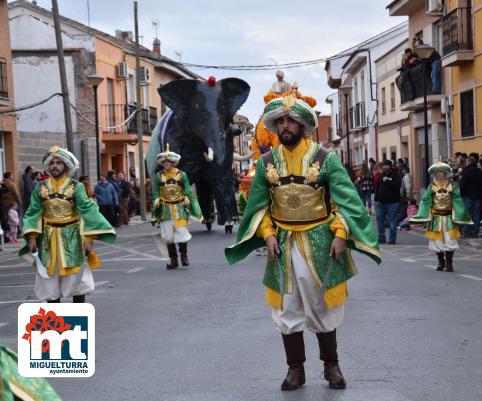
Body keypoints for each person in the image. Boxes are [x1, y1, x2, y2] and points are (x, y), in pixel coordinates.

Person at [225, 93, 380, 391]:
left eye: (291, 120)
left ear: (302, 125)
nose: (285, 125)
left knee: (324, 306)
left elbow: (346, 202)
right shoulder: (267, 163)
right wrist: (267, 234)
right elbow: (258, 206)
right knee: (286, 307)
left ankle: (331, 366)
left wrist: (340, 233)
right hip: (282, 243)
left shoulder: (326, 159)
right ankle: (295, 370)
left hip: (320, 240)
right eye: (280, 121)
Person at [19, 146, 116, 303]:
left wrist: (89, 239)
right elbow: (33, 212)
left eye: (58, 163)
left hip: (72, 237)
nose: (55, 166)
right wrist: (31, 236)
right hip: (47, 240)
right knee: (49, 280)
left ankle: (78, 318)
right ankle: (55, 320)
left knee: (76, 280)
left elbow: (87, 210)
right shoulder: (40, 187)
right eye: (52, 163)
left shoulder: (76, 186)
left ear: (65, 166)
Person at [411, 161, 472, 272]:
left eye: (441, 172)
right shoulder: (432, 187)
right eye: (437, 172)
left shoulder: (451, 186)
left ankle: (449, 263)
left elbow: (457, 201)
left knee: (450, 241)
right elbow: (425, 201)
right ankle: (441, 261)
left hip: (449, 217)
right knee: (437, 242)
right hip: (436, 218)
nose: (439, 174)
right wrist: (423, 215)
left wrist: (460, 215)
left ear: (445, 173)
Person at [152, 144, 202, 269]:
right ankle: (173, 260)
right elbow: (156, 192)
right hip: (165, 210)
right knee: (168, 237)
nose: (166, 163)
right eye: (164, 162)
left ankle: (184, 257)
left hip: (179, 208)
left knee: (182, 233)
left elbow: (187, 190)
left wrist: (186, 198)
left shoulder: (182, 175)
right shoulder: (159, 176)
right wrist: (156, 199)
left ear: (173, 162)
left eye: (169, 161)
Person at [374, 160, 402, 244]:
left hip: (392, 203)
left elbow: (397, 187)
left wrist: (388, 181)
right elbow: (378, 187)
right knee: (379, 220)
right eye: (384, 165)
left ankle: (392, 239)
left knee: (392, 221)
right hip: (380, 202)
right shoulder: (381, 175)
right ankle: (381, 237)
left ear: (390, 166)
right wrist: (376, 199)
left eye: (387, 165)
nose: (385, 167)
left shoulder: (396, 175)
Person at [460, 156, 482, 238]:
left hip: (467, 196)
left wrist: (462, 194)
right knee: (476, 215)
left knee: (467, 215)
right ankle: (475, 233)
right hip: (477, 196)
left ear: (469, 162)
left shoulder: (466, 172)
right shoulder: (480, 172)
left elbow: (463, 184)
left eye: (467, 162)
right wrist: (480, 193)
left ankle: (467, 233)